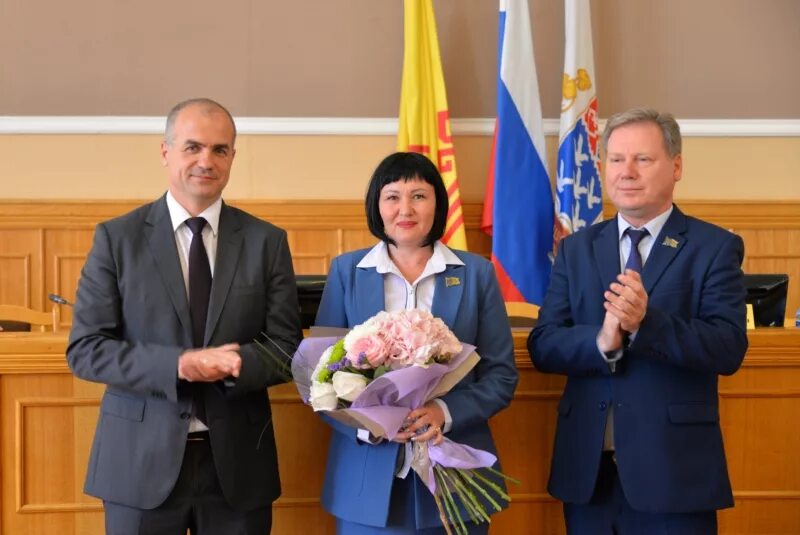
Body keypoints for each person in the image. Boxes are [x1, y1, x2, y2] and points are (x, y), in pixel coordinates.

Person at [67, 98, 301, 534]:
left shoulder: (266, 241)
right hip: (138, 465)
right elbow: (87, 351)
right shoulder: (117, 239)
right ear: (165, 152)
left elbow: (286, 346)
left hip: (237, 466)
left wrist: (236, 364)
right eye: (192, 147)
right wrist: (178, 366)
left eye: (220, 150)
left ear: (232, 157)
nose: (205, 161)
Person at [529, 108, 748, 534]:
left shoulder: (714, 247)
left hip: (674, 474)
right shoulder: (575, 249)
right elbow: (544, 343)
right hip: (589, 476)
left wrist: (647, 324)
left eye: (642, 160)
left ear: (676, 165)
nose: (626, 172)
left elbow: (728, 347)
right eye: (615, 159)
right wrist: (602, 340)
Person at [314, 152, 518, 534]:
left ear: (437, 204)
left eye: (419, 196)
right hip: (366, 475)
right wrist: (367, 423)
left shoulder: (476, 273)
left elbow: (501, 375)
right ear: (377, 205)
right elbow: (318, 375)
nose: (405, 208)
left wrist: (444, 410)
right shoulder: (347, 272)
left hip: (456, 474)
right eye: (392, 196)